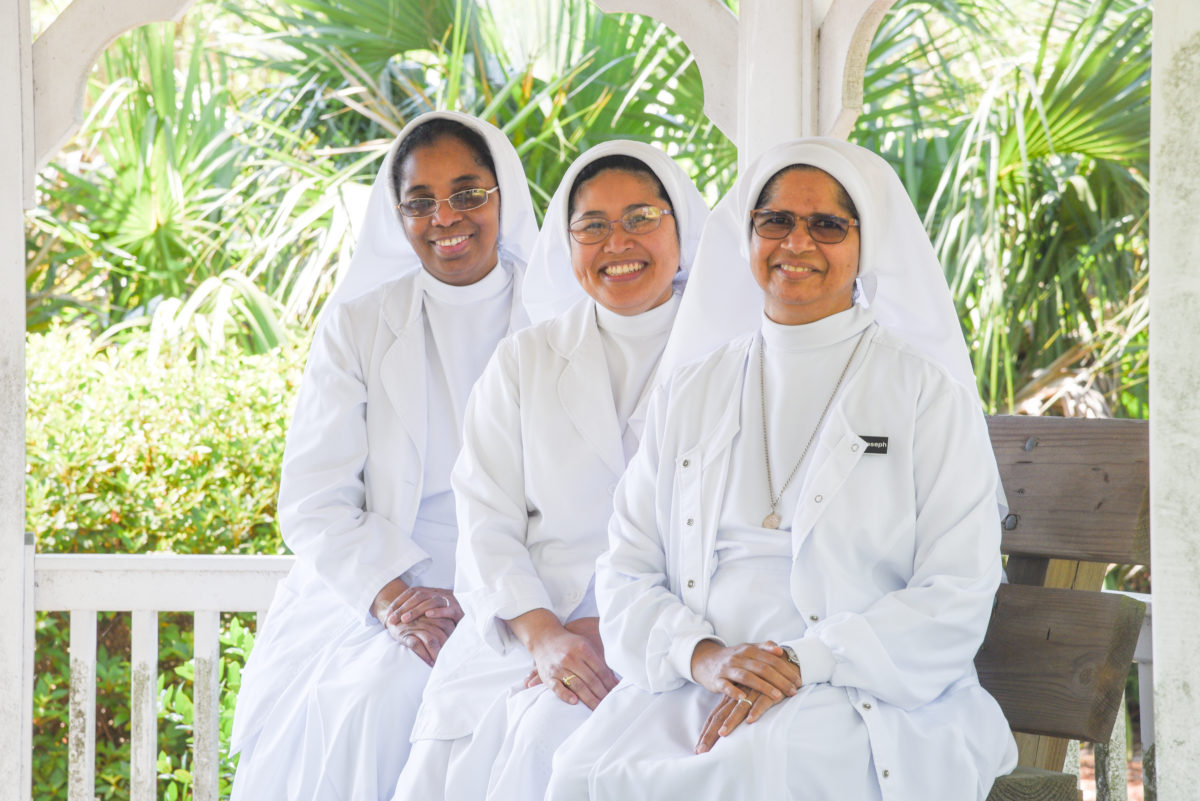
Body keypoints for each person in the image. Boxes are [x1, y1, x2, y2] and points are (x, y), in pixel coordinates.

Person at [545, 137, 1018, 801]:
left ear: (865, 244)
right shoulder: (693, 389)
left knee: (755, 767)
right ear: (748, 236)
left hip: (856, 683)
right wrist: (703, 655)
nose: (797, 242)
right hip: (703, 675)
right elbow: (625, 569)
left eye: (827, 224)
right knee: (577, 771)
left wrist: (805, 658)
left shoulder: (923, 394)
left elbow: (958, 588)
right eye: (776, 221)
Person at [228, 110, 538, 801]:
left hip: (526, 571)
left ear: (503, 196)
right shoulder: (360, 324)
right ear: (396, 214)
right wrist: (395, 597)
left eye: (468, 193)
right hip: (386, 576)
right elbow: (314, 496)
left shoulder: (552, 317)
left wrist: (507, 593)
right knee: (372, 703)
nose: (445, 217)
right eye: (419, 201)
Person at [390, 140, 710, 801]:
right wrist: (545, 636)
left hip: (675, 638)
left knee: (550, 747)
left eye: (642, 216)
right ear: (567, 245)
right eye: (592, 224)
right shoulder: (524, 361)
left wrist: (623, 626)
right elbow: (485, 517)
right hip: (527, 627)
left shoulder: (728, 360)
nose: (618, 241)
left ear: (682, 231)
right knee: (447, 762)